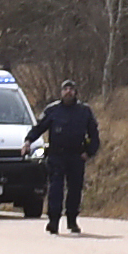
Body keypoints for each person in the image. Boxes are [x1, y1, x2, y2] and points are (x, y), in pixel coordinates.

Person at [32, 80, 100, 236]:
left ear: (76, 92)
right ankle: (53, 221)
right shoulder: (53, 110)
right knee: (55, 189)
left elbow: (94, 134)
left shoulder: (84, 111)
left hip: (76, 156)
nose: (68, 92)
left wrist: (89, 152)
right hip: (57, 155)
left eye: (71, 89)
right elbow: (39, 127)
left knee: (75, 190)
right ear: (61, 92)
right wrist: (28, 141)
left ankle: (72, 220)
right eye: (65, 89)